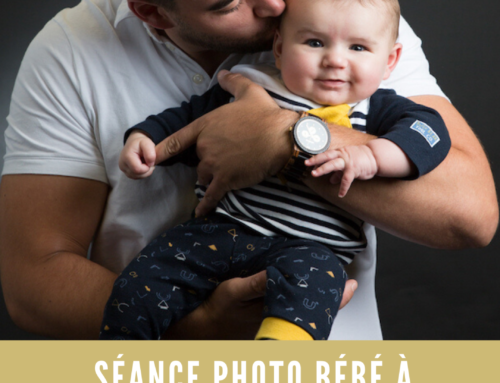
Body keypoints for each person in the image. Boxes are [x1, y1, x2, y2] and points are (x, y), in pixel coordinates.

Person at [0, 0, 497, 340]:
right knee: (162, 263)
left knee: (314, 275)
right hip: (180, 306)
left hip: (328, 338)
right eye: (227, 2)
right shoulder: (71, 48)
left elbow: (469, 213)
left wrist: (279, 141)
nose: (276, 5)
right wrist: (199, 331)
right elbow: (33, 280)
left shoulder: (348, 16)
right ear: (151, 10)